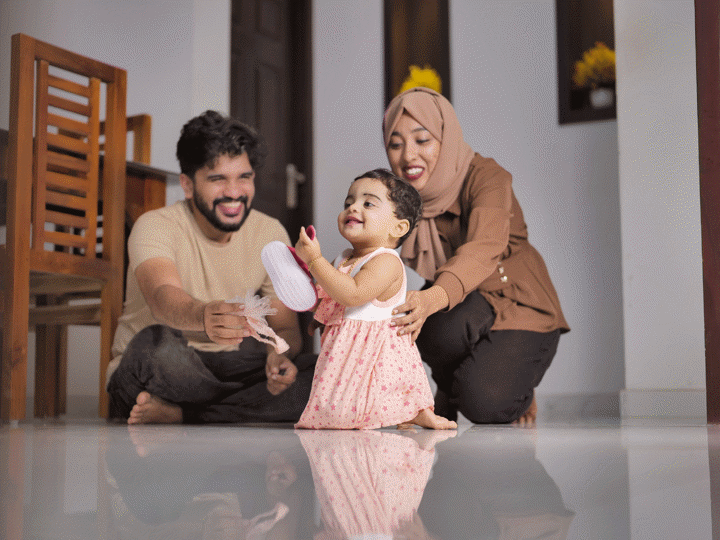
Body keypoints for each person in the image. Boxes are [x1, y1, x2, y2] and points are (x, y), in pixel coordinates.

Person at [106, 110, 316, 424]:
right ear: (188, 185)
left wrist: (278, 356)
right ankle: (231, 412)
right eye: (217, 179)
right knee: (156, 348)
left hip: (231, 368)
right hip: (166, 366)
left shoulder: (270, 233)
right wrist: (203, 316)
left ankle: (183, 414)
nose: (233, 193)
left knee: (329, 373)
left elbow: (286, 330)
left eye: (243, 177)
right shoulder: (155, 225)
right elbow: (162, 295)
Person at [383, 87, 570, 426]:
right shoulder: (404, 196)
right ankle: (452, 389)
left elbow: (484, 247)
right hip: (468, 302)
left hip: (520, 302)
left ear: (445, 137)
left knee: (485, 406)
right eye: (396, 144)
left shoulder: (487, 177)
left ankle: (516, 389)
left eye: (422, 140)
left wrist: (431, 299)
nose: (408, 156)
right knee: (430, 331)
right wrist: (335, 291)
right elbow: (374, 244)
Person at [290, 169, 457, 430]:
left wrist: (314, 261)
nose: (353, 208)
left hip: (374, 347)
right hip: (346, 346)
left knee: (363, 399)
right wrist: (321, 317)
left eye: (367, 203)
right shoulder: (344, 257)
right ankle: (408, 412)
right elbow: (336, 298)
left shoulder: (386, 262)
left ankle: (413, 411)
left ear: (398, 227)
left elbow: (353, 293)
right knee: (338, 401)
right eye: (348, 202)